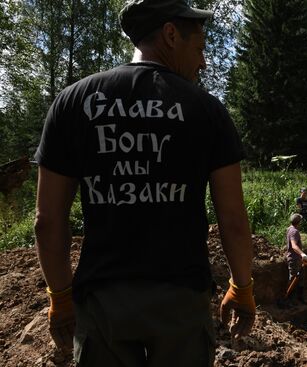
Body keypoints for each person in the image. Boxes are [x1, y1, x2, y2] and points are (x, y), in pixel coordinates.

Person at [33, 1, 255, 365]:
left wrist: (59, 297)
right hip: (181, 302)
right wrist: (241, 288)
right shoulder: (207, 110)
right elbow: (232, 218)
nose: (203, 63)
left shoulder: (72, 102)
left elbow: (47, 221)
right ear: (170, 35)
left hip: (103, 303)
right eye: (199, 49)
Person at [284, 213, 307, 305]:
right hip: (294, 259)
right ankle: (288, 299)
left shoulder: (290, 229)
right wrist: (302, 254)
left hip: (297, 259)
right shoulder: (294, 232)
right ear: (299, 222)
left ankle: (299, 297)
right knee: (293, 278)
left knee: (300, 277)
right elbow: (294, 246)